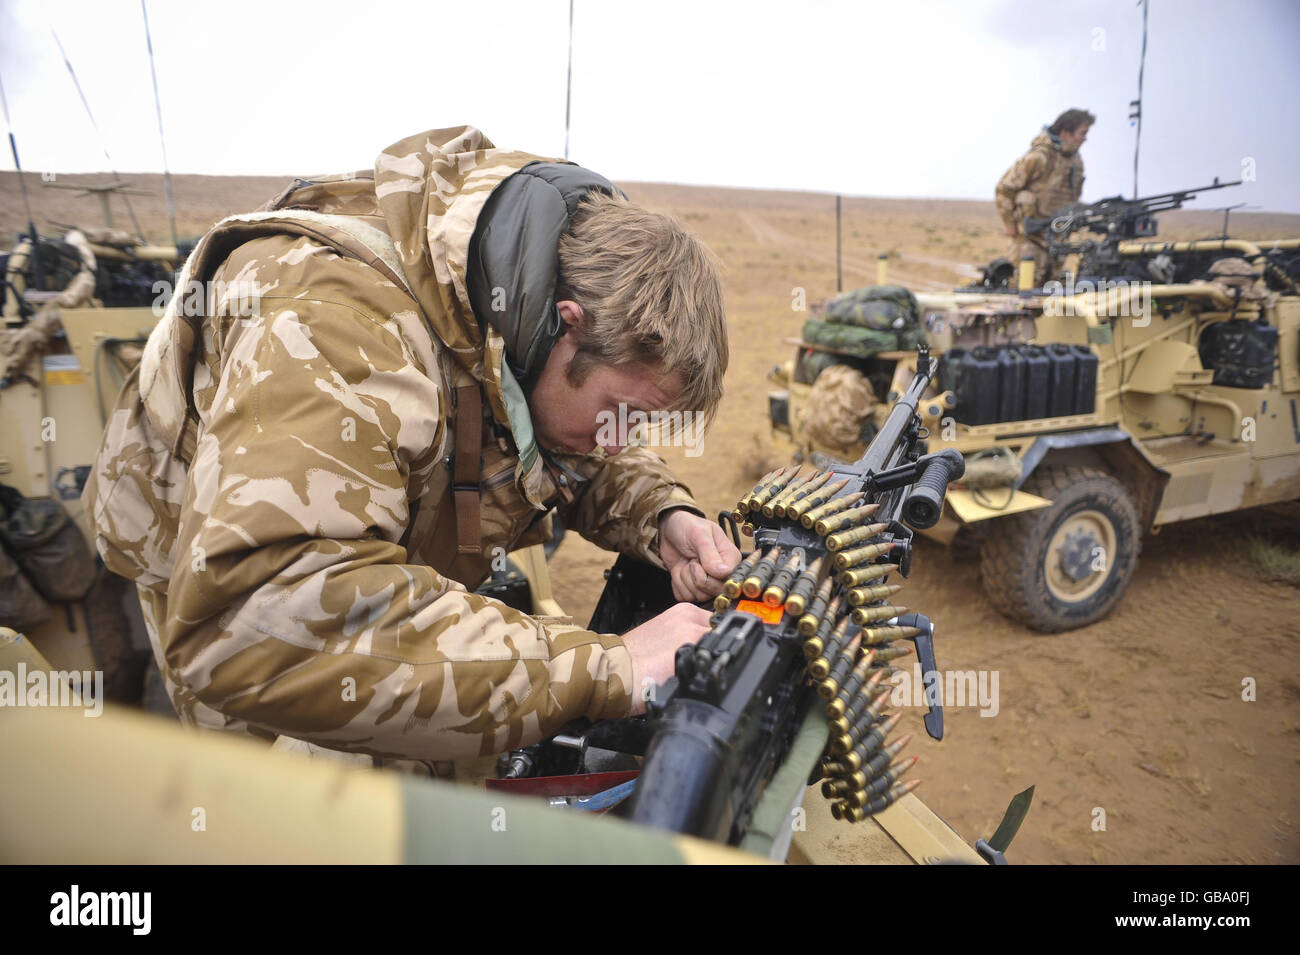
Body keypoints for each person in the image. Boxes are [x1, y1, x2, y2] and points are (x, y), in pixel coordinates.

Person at [83, 126, 739, 764]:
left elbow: (556, 438)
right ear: (566, 326)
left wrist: (661, 515)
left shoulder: (517, 306)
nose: (619, 440)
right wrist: (604, 667)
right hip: (247, 618)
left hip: (365, 560)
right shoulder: (336, 327)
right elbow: (256, 621)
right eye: (621, 414)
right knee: (301, 805)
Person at [995, 108, 1094, 283]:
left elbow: (1073, 198)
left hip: (1058, 241)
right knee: (1022, 292)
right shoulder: (1039, 157)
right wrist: (1010, 224)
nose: (1085, 138)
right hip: (1029, 241)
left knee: (1052, 294)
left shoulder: (1076, 163)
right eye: (1082, 133)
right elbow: (1004, 189)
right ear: (1066, 132)